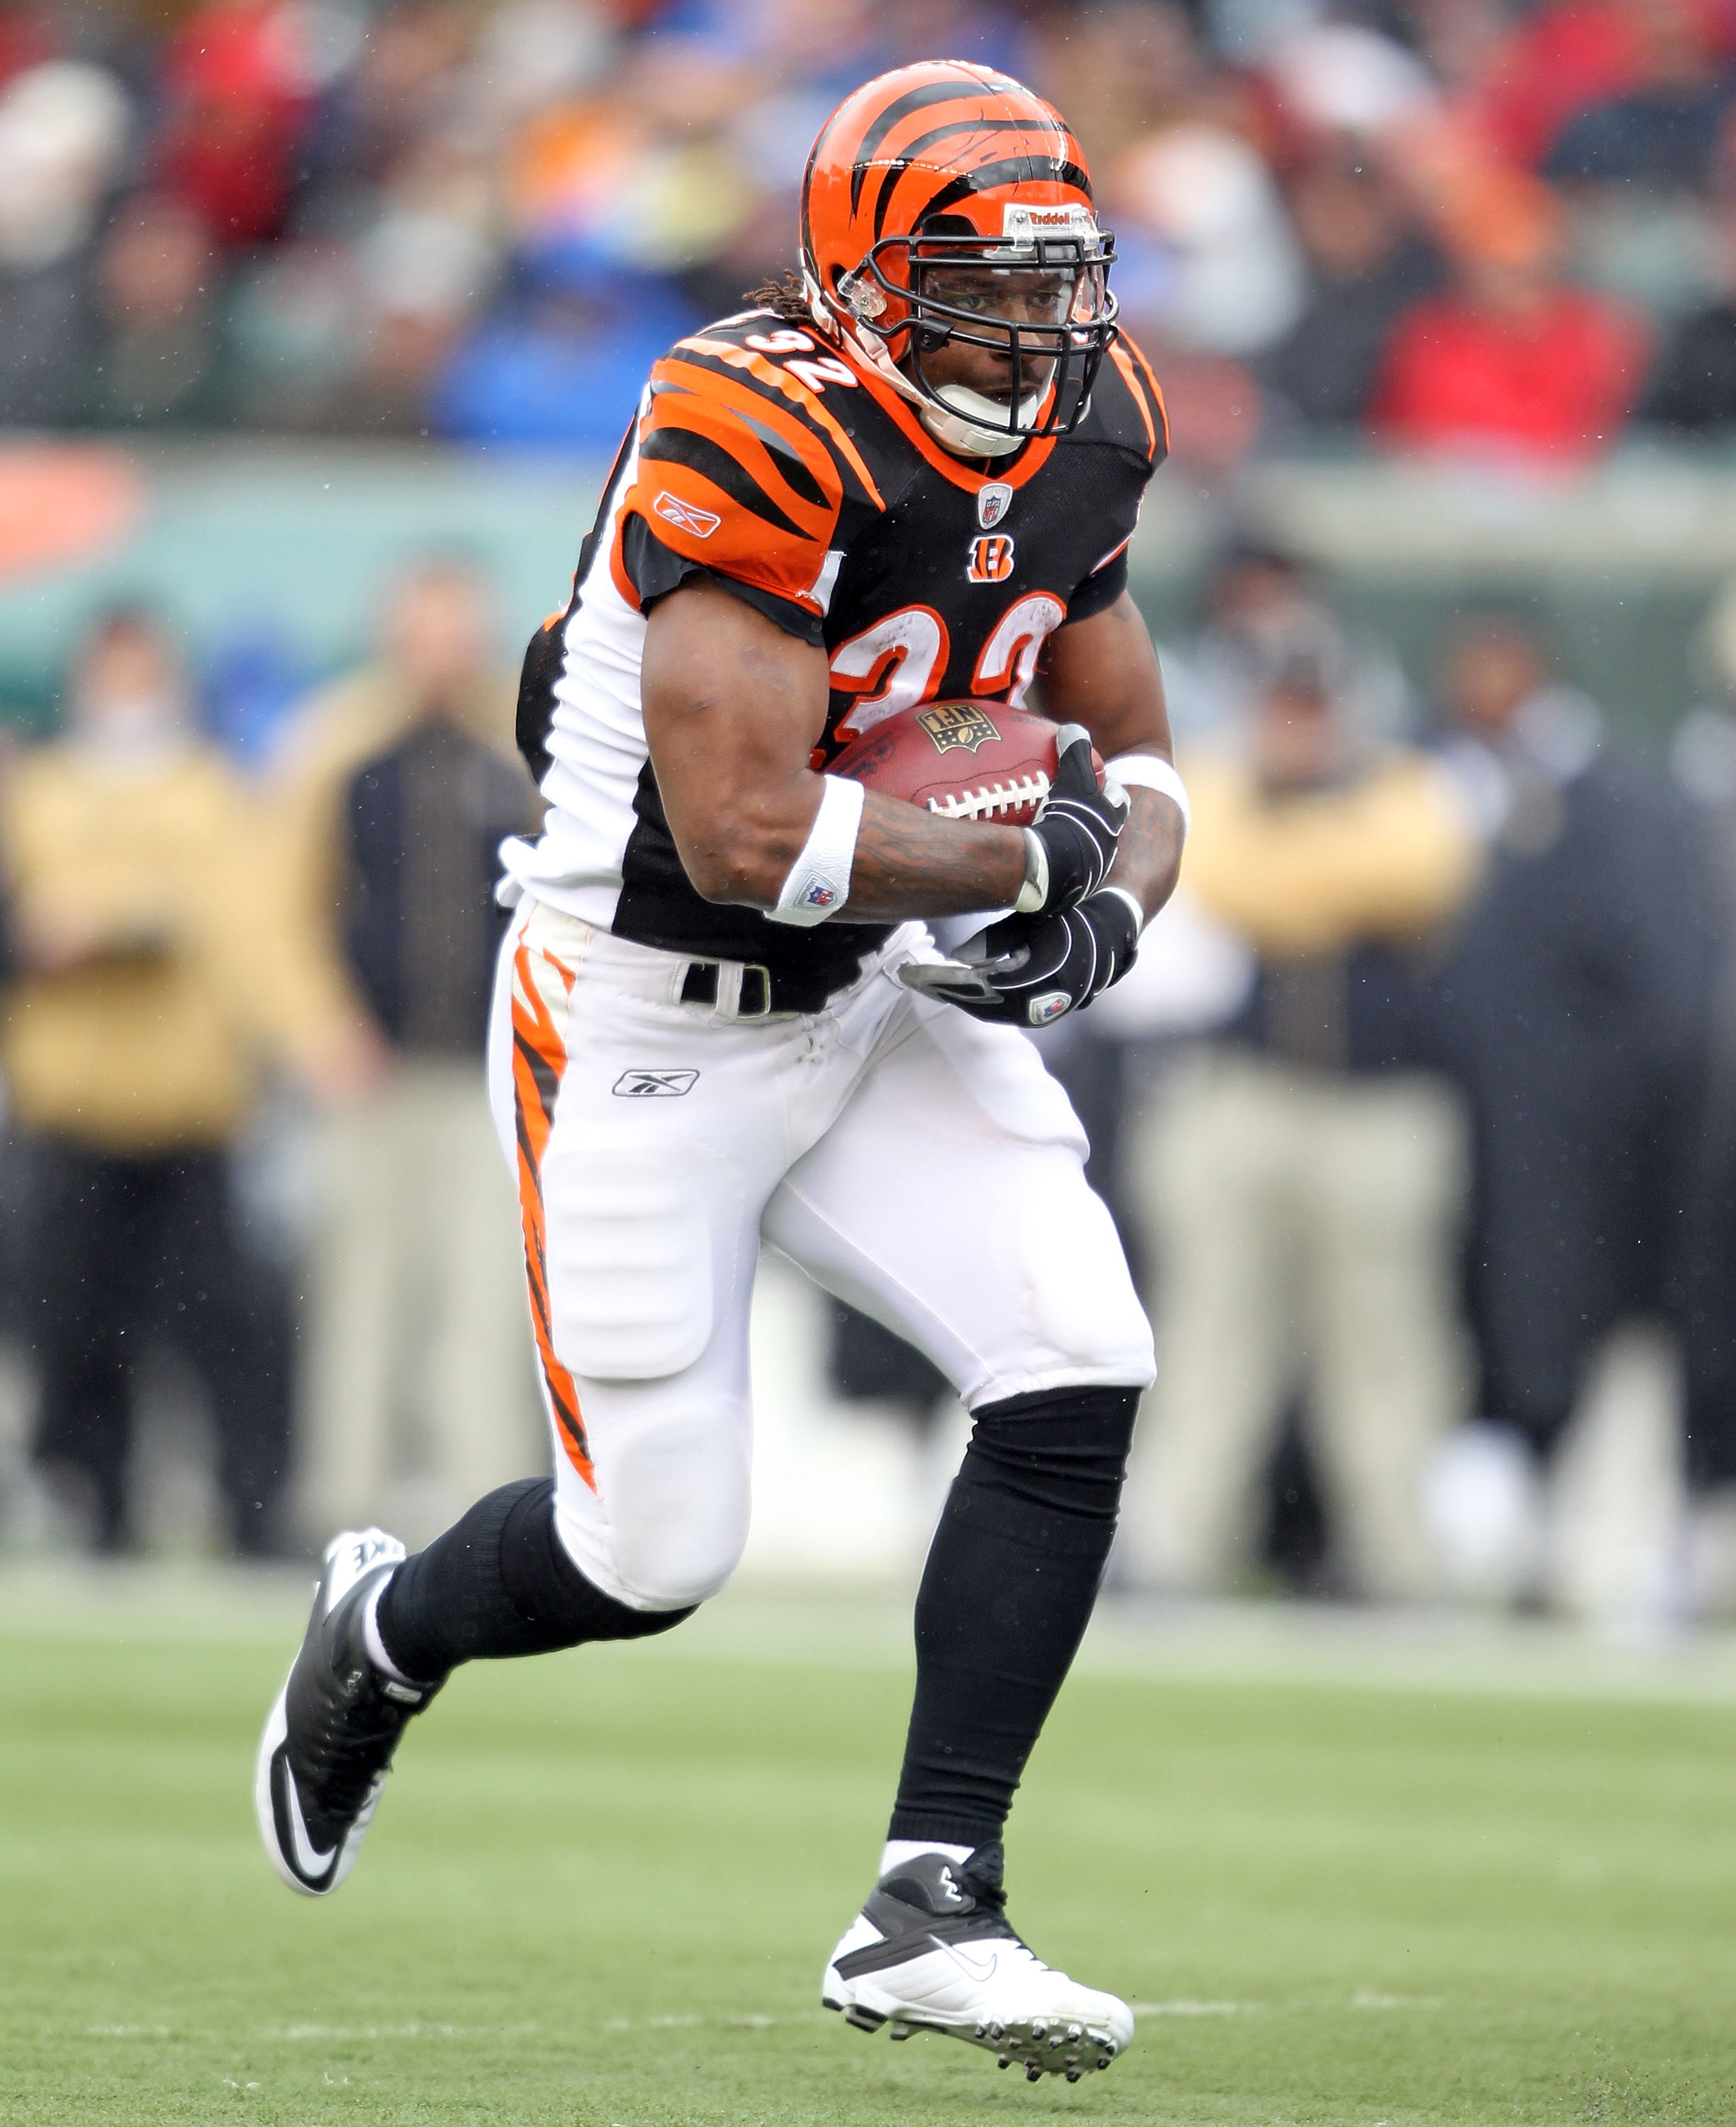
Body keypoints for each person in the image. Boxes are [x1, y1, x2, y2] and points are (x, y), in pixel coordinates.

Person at [253, 60, 1187, 2084]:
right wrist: (1031, 853)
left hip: (862, 1002)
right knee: (649, 1554)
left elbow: (1132, 732)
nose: (1031, 335)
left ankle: (933, 1900)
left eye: (1057, 284)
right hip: (646, 1011)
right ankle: (388, 1634)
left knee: (1078, 1356)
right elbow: (753, 834)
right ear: (857, 277)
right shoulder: (748, 419)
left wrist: (1120, 898)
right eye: (979, 287)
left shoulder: (1100, 420)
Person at [1121, 606, 1479, 1602]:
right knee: (1209, 1337)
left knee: (1388, 1346)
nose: (1296, 723)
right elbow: (1230, 876)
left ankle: (1398, 1564)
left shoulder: (1406, 787)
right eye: (1281, 701)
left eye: (1312, 702)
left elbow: (1419, 867)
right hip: (1239, 1098)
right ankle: (1176, 1553)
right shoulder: (1221, 785)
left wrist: (1303, 867)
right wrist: (1331, 870)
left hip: (1379, 1109)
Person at [0, 609, 327, 1553]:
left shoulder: (216, 792)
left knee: (230, 1329)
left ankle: (251, 1509)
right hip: (73, 1104)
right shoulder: (42, 791)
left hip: (191, 1105)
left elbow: (257, 932)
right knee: (75, 1329)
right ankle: (94, 1505)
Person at [272, 559, 547, 1547]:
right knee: (362, 1291)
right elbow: (279, 908)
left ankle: (489, 1512)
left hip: (487, 1071)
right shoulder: (337, 743)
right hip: (370, 1070)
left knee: (487, 1290)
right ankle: (341, 1507)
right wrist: (319, 1029)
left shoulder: (516, 750)